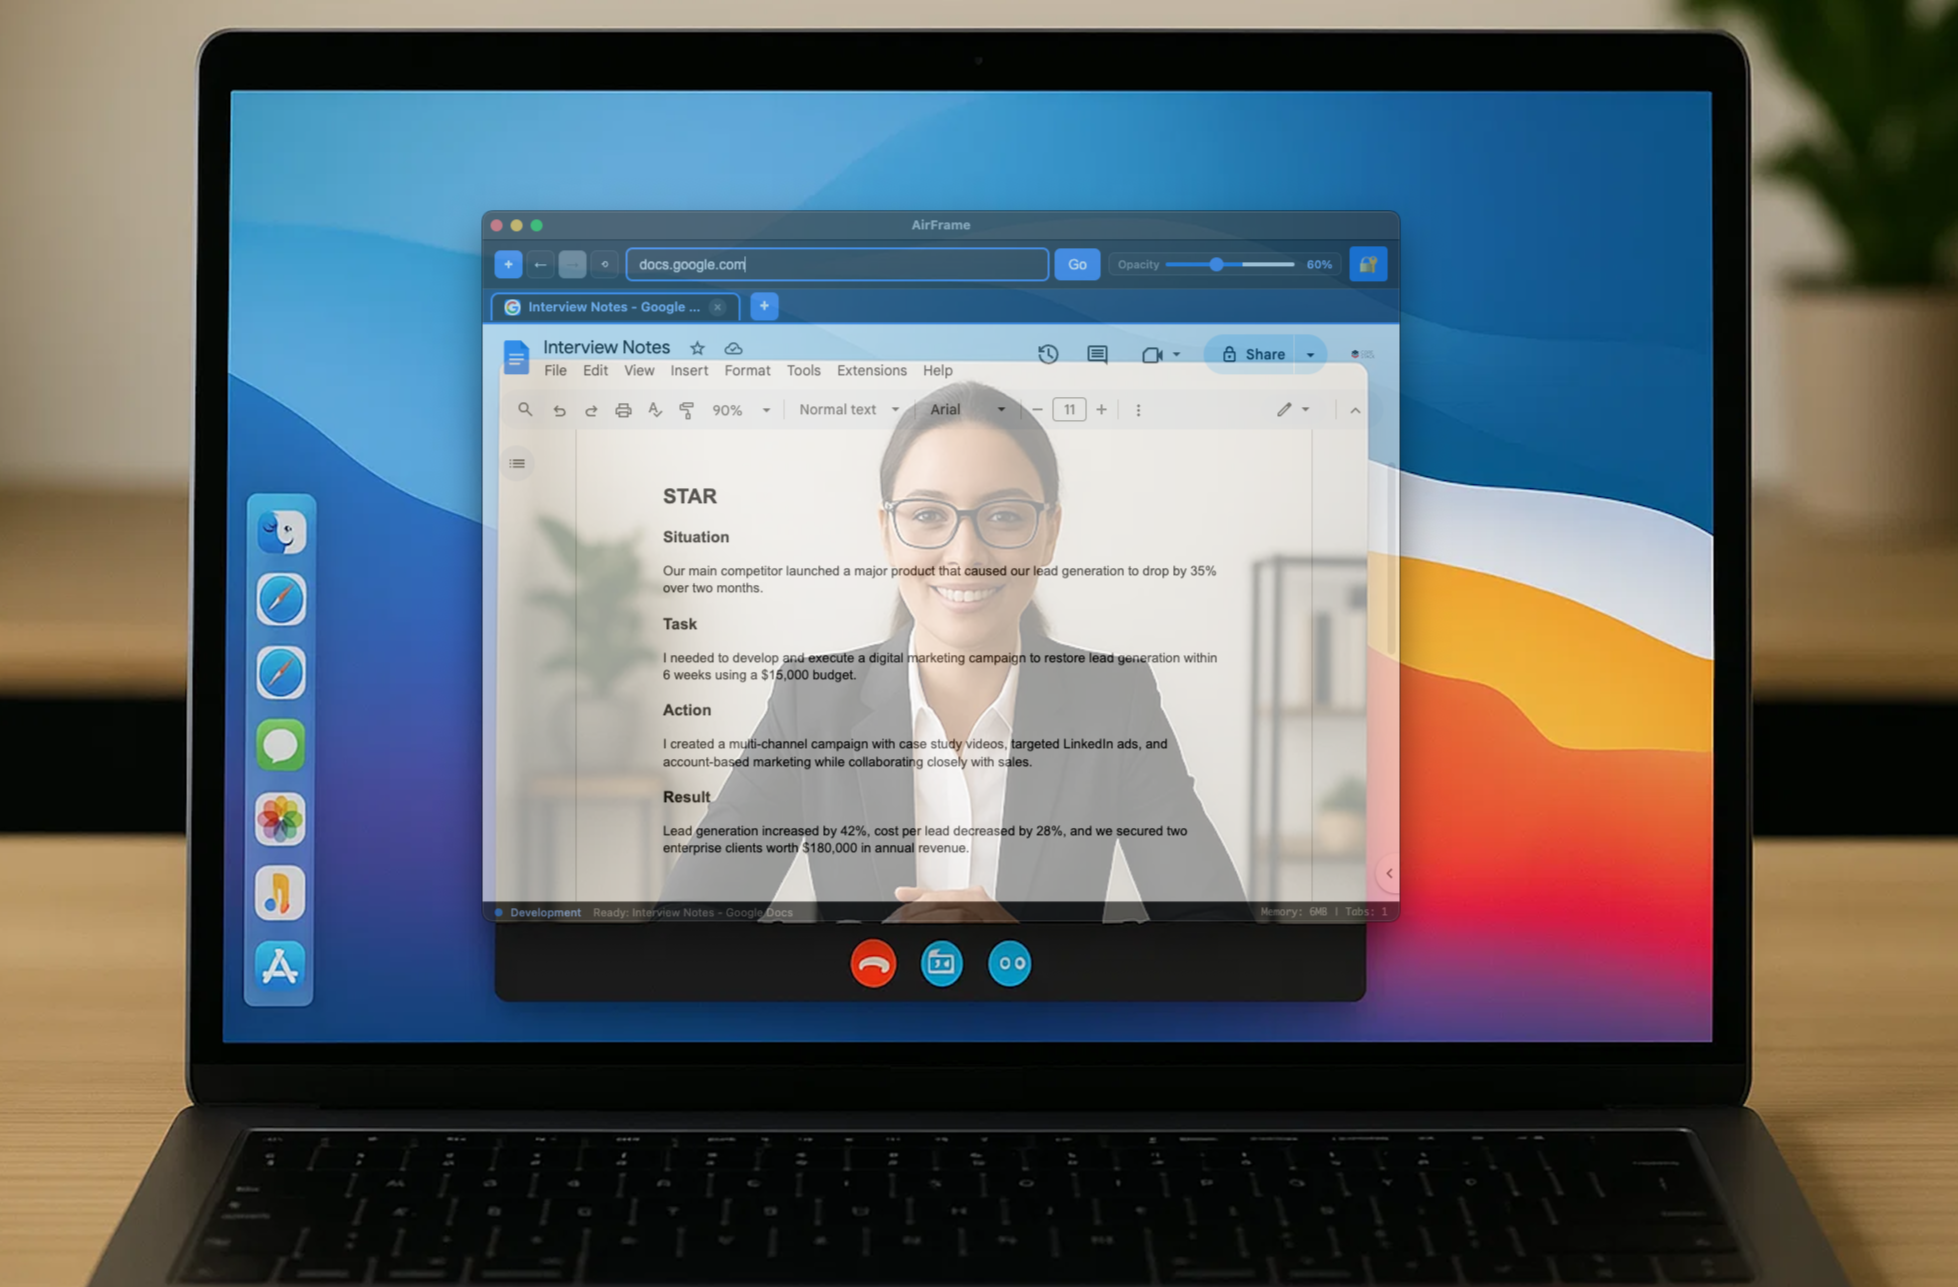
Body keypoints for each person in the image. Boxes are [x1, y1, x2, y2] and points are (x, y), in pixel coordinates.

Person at [659, 381, 1247, 923]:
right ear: (888, 533)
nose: (964, 554)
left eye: (1006, 515)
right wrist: (864, 961)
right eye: (928, 515)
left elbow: (1220, 941)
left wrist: (1029, 957)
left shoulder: (1114, 703)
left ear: (1050, 533)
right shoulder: (811, 702)